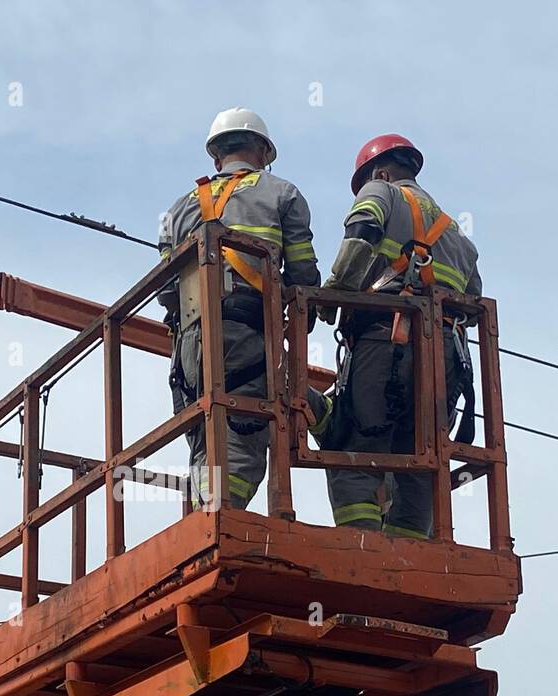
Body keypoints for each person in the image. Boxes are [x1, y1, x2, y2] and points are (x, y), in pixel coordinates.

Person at [312, 134, 480, 536]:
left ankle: (362, 544)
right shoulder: (457, 235)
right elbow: (473, 305)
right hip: (445, 358)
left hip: (386, 343)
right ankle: (408, 552)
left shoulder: (380, 190)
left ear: (382, 172)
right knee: (421, 455)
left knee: (355, 445)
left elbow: (362, 233)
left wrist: (333, 293)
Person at [158, 107, 319, 510]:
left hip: (189, 345)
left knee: (204, 433)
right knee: (243, 433)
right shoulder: (282, 194)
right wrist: (307, 315)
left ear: (216, 157)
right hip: (246, 335)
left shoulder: (178, 209)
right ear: (264, 152)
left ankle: (204, 516)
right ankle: (221, 519)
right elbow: (301, 273)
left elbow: (165, 291)